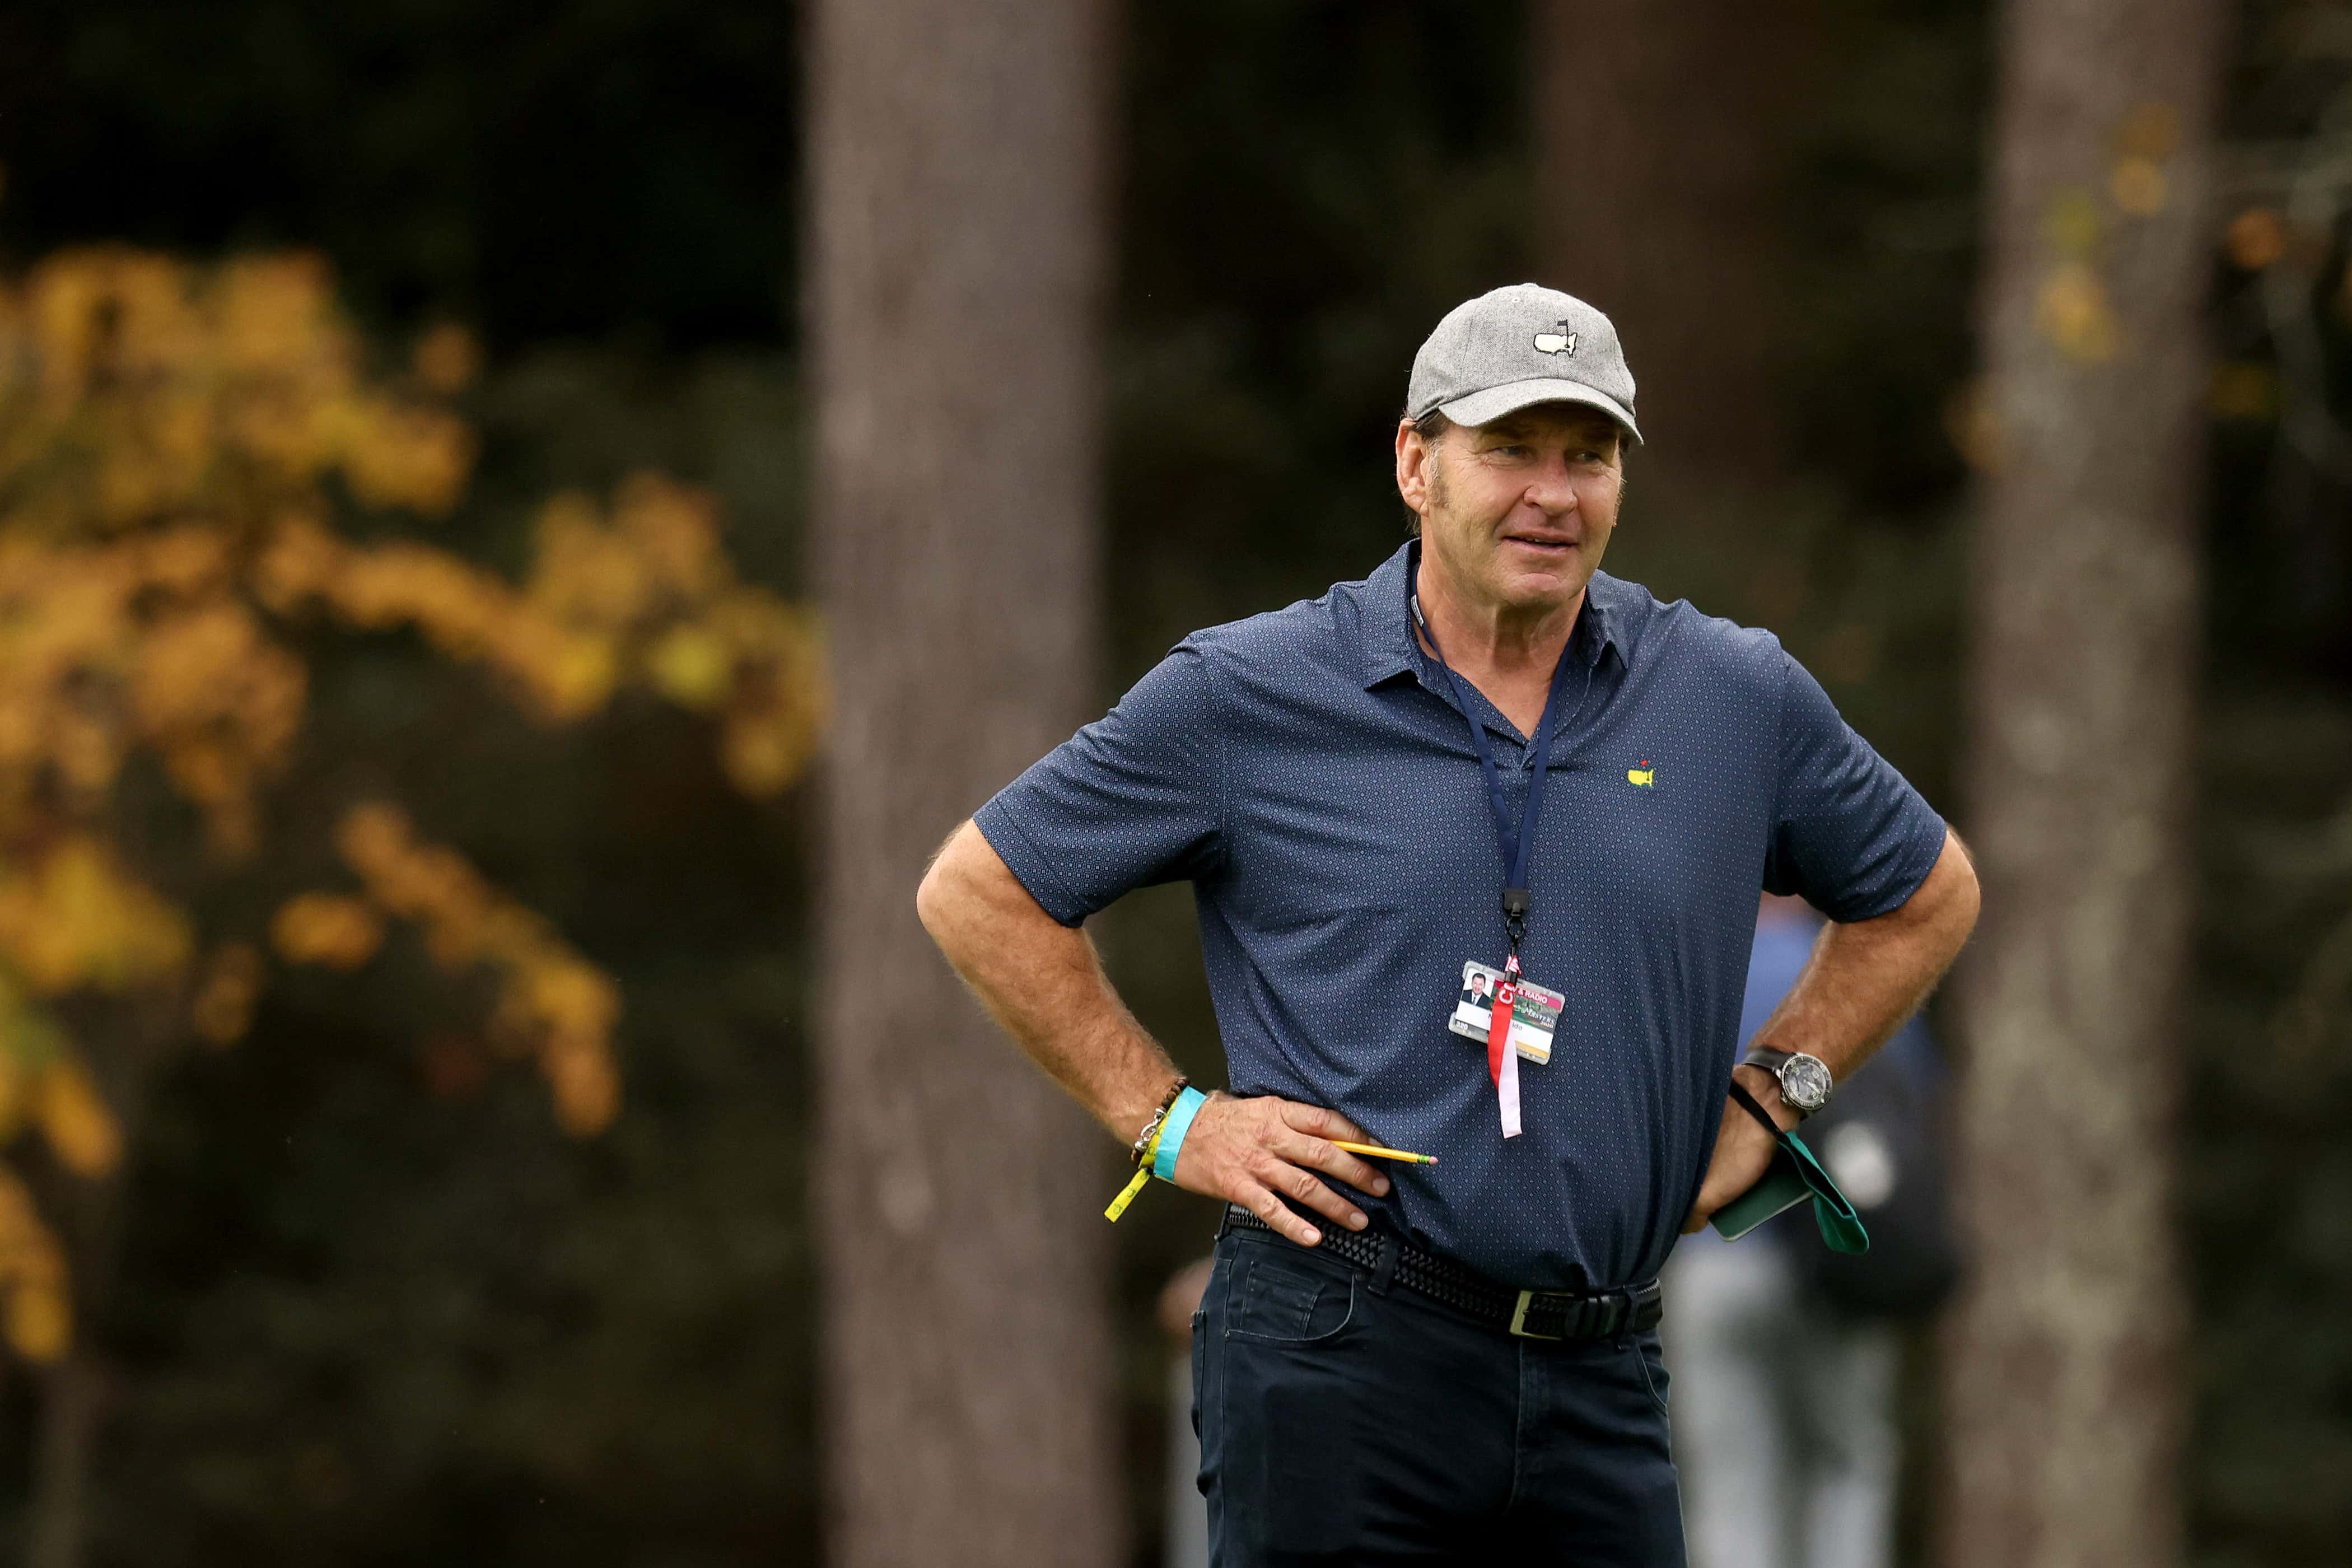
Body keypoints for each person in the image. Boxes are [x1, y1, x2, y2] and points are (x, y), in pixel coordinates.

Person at [916, 282, 1980, 1564]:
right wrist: (1170, 1121)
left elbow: (1926, 895)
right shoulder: (1251, 693)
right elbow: (982, 888)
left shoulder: (1728, 695)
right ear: (1416, 463)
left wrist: (1770, 1095)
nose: (1553, 492)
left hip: (1604, 1362)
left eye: (1588, 455)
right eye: (1510, 450)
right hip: (1338, 1345)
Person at [1667, 897, 1948, 1568]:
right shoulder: (1862, 967)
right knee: (1846, 1471)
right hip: (1837, 1260)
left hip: (1717, 1260)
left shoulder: (1698, 967)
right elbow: (1914, 1108)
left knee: (1732, 1484)